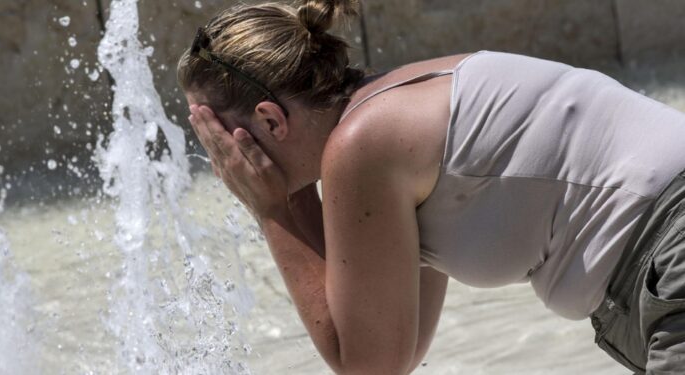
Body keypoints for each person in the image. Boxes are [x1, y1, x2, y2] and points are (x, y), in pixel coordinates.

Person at [177, 1, 685, 373]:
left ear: (269, 120)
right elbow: (396, 346)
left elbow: (368, 368)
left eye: (217, 136)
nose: (219, 160)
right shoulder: (393, 113)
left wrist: (273, 210)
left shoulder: (363, 144)